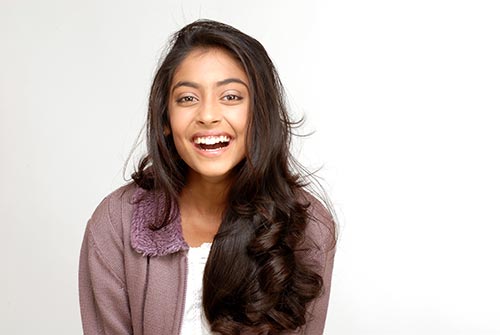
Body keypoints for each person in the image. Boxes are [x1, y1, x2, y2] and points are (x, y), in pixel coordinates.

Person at [79, 19, 336, 335]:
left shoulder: (307, 226)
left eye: (231, 96)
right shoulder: (116, 221)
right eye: (187, 98)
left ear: (260, 113)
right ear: (165, 120)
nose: (208, 115)